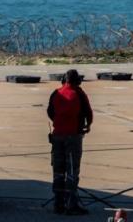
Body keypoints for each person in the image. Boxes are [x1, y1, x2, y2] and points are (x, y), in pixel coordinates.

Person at [47, 69, 93, 215]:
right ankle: (71, 204)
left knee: (58, 171)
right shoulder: (79, 93)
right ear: (78, 81)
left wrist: (58, 123)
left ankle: (58, 203)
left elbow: (50, 111)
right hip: (73, 136)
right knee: (72, 171)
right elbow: (88, 113)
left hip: (57, 136)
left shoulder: (56, 93)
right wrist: (87, 126)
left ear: (64, 80)